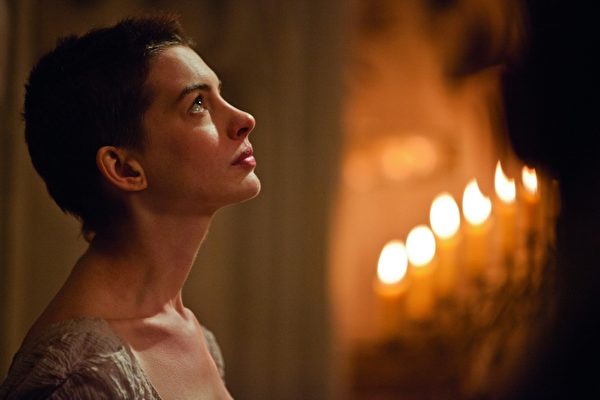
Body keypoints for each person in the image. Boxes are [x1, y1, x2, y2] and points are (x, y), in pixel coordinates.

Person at [0, 14, 259, 399]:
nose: (244, 119)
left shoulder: (193, 332)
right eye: (198, 103)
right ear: (124, 168)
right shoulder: (80, 377)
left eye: (220, 95)